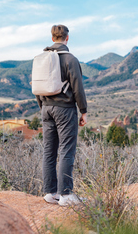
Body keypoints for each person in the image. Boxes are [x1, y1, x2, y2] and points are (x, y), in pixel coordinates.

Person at [35, 24, 87, 206]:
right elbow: (78, 88)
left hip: (46, 108)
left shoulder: (41, 58)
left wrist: (43, 106)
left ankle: (50, 193)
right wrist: (84, 111)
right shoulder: (70, 59)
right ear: (67, 38)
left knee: (49, 151)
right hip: (64, 109)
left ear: (52, 38)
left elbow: (37, 86)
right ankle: (65, 194)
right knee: (66, 149)